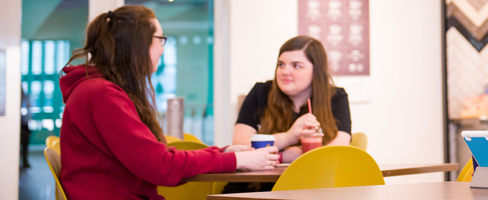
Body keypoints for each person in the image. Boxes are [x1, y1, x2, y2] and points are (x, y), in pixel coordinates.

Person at [58, 6, 278, 199]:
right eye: (160, 39)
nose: (163, 48)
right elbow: (162, 166)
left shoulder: (100, 90)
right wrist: (236, 160)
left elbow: (160, 159)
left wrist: (226, 152)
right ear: (137, 44)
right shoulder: (103, 95)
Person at [225, 36, 351, 192]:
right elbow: (240, 145)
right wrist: (288, 139)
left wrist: (279, 154)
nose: (285, 71)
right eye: (281, 64)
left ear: (316, 70)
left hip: (309, 189)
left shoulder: (335, 97)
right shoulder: (260, 92)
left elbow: (337, 151)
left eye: (296, 66)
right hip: (252, 188)